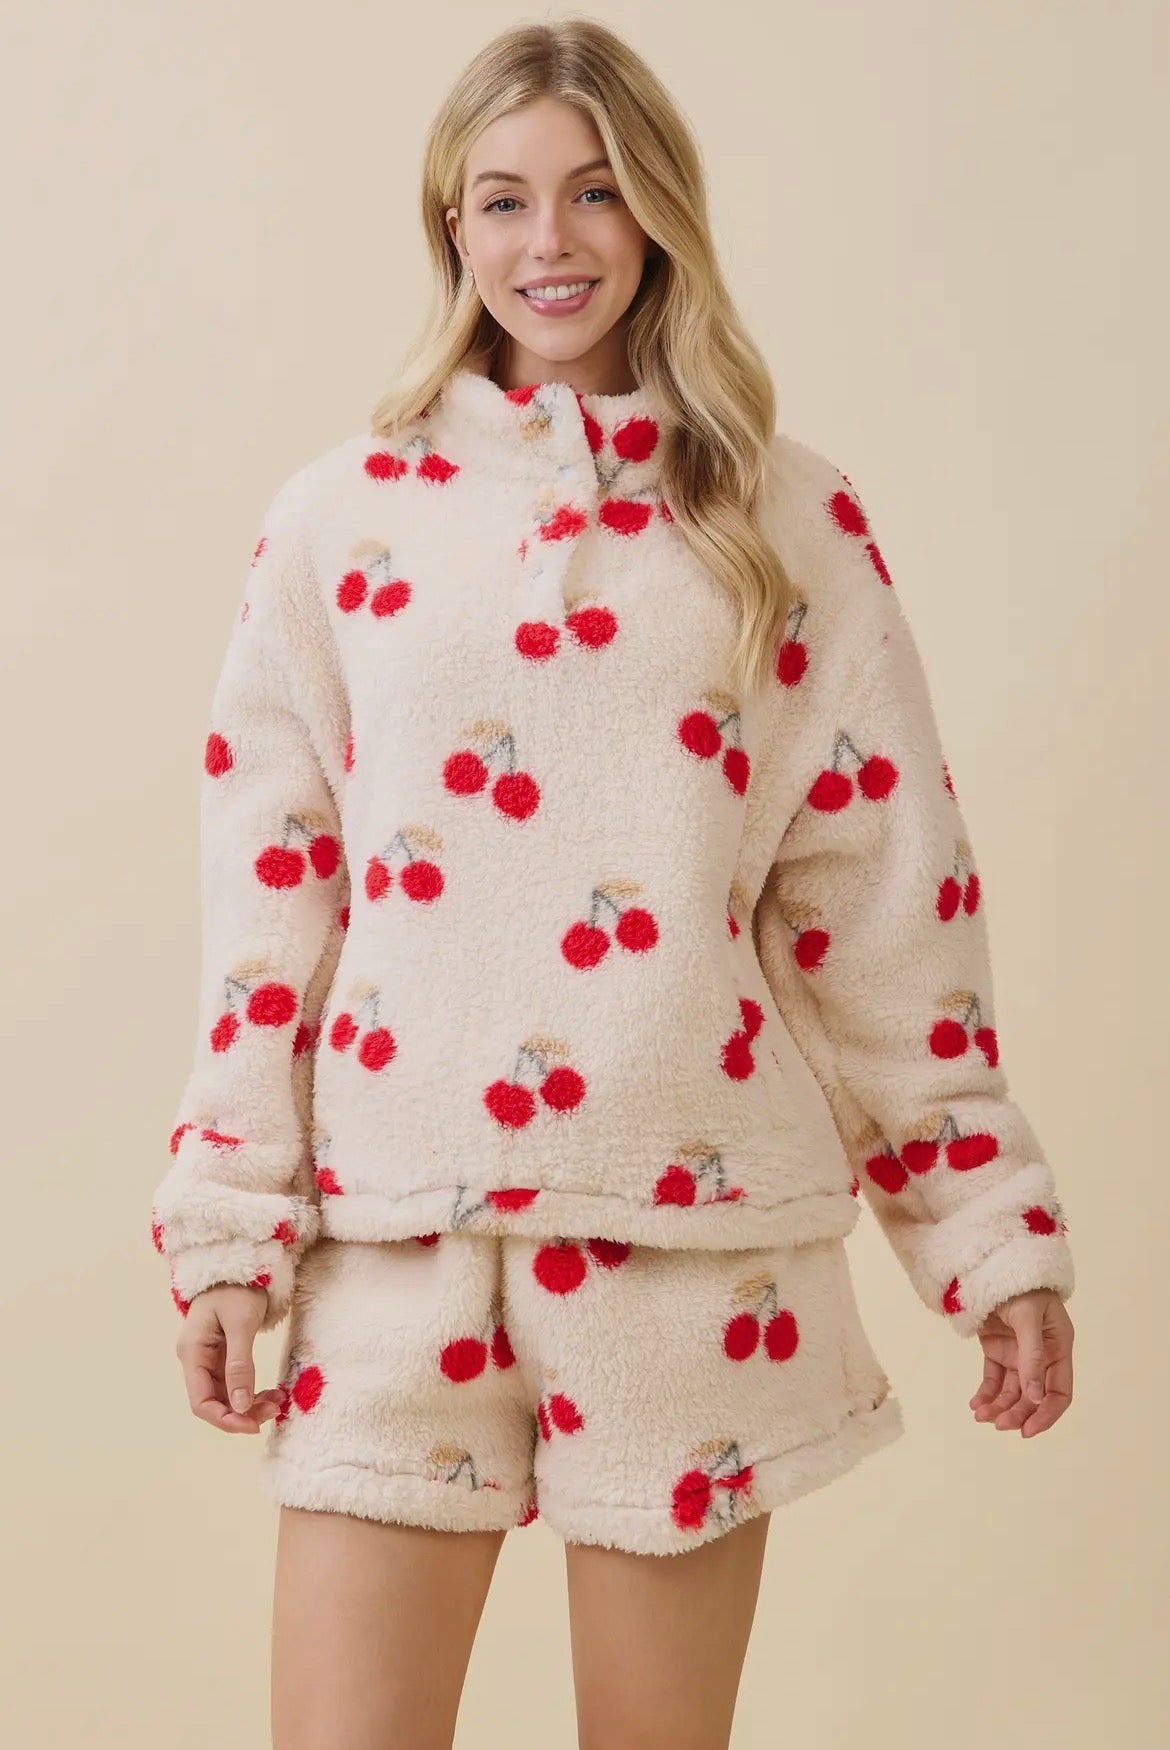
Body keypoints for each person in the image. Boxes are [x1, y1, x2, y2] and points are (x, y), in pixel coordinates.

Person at [149, 18, 1076, 1748]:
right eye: (503, 200)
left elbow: (884, 908)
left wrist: (985, 1236)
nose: (550, 241)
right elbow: (272, 900)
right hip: (396, 1237)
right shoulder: (340, 520)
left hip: (688, 1248)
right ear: (451, 226)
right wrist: (227, 1222)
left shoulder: (786, 521)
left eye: (593, 192)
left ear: (658, 210)